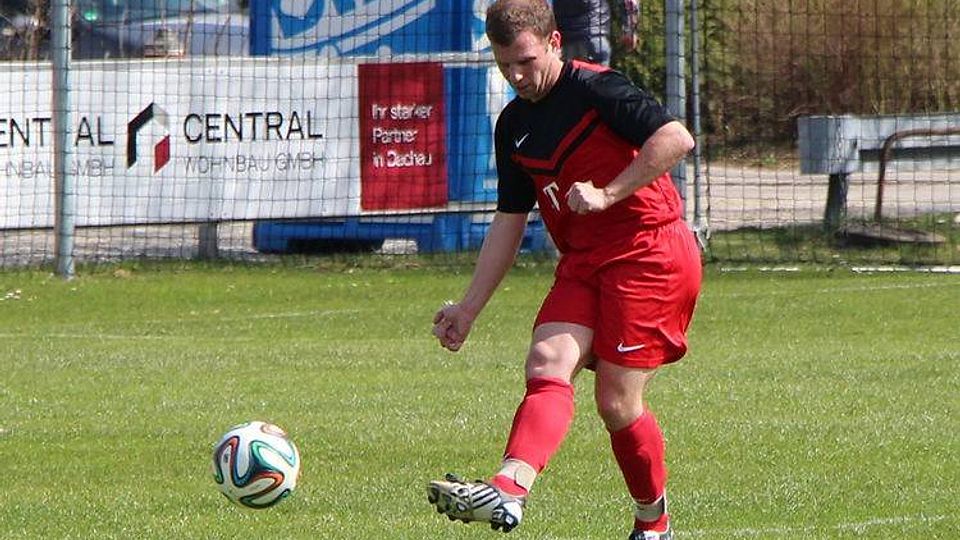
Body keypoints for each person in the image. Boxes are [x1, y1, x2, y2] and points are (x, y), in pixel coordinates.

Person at [426, 1, 701, 539]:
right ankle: (508, 489)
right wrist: (468, 309)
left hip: (649, 254)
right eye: (505, 65)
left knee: (617, 402)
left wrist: (609, 192)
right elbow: (508, 223)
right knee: (547, 360)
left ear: (554, 43)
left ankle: (655, 526)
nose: (517, 76)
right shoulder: (513, 126)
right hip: (585, 262)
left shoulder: (598, 90)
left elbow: (676, 139)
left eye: (526, 61)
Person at [553, 0, 639, 66]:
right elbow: (629, 2)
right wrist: (630, 30)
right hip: (594, 37)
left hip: (565, 41)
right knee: (598, 86)